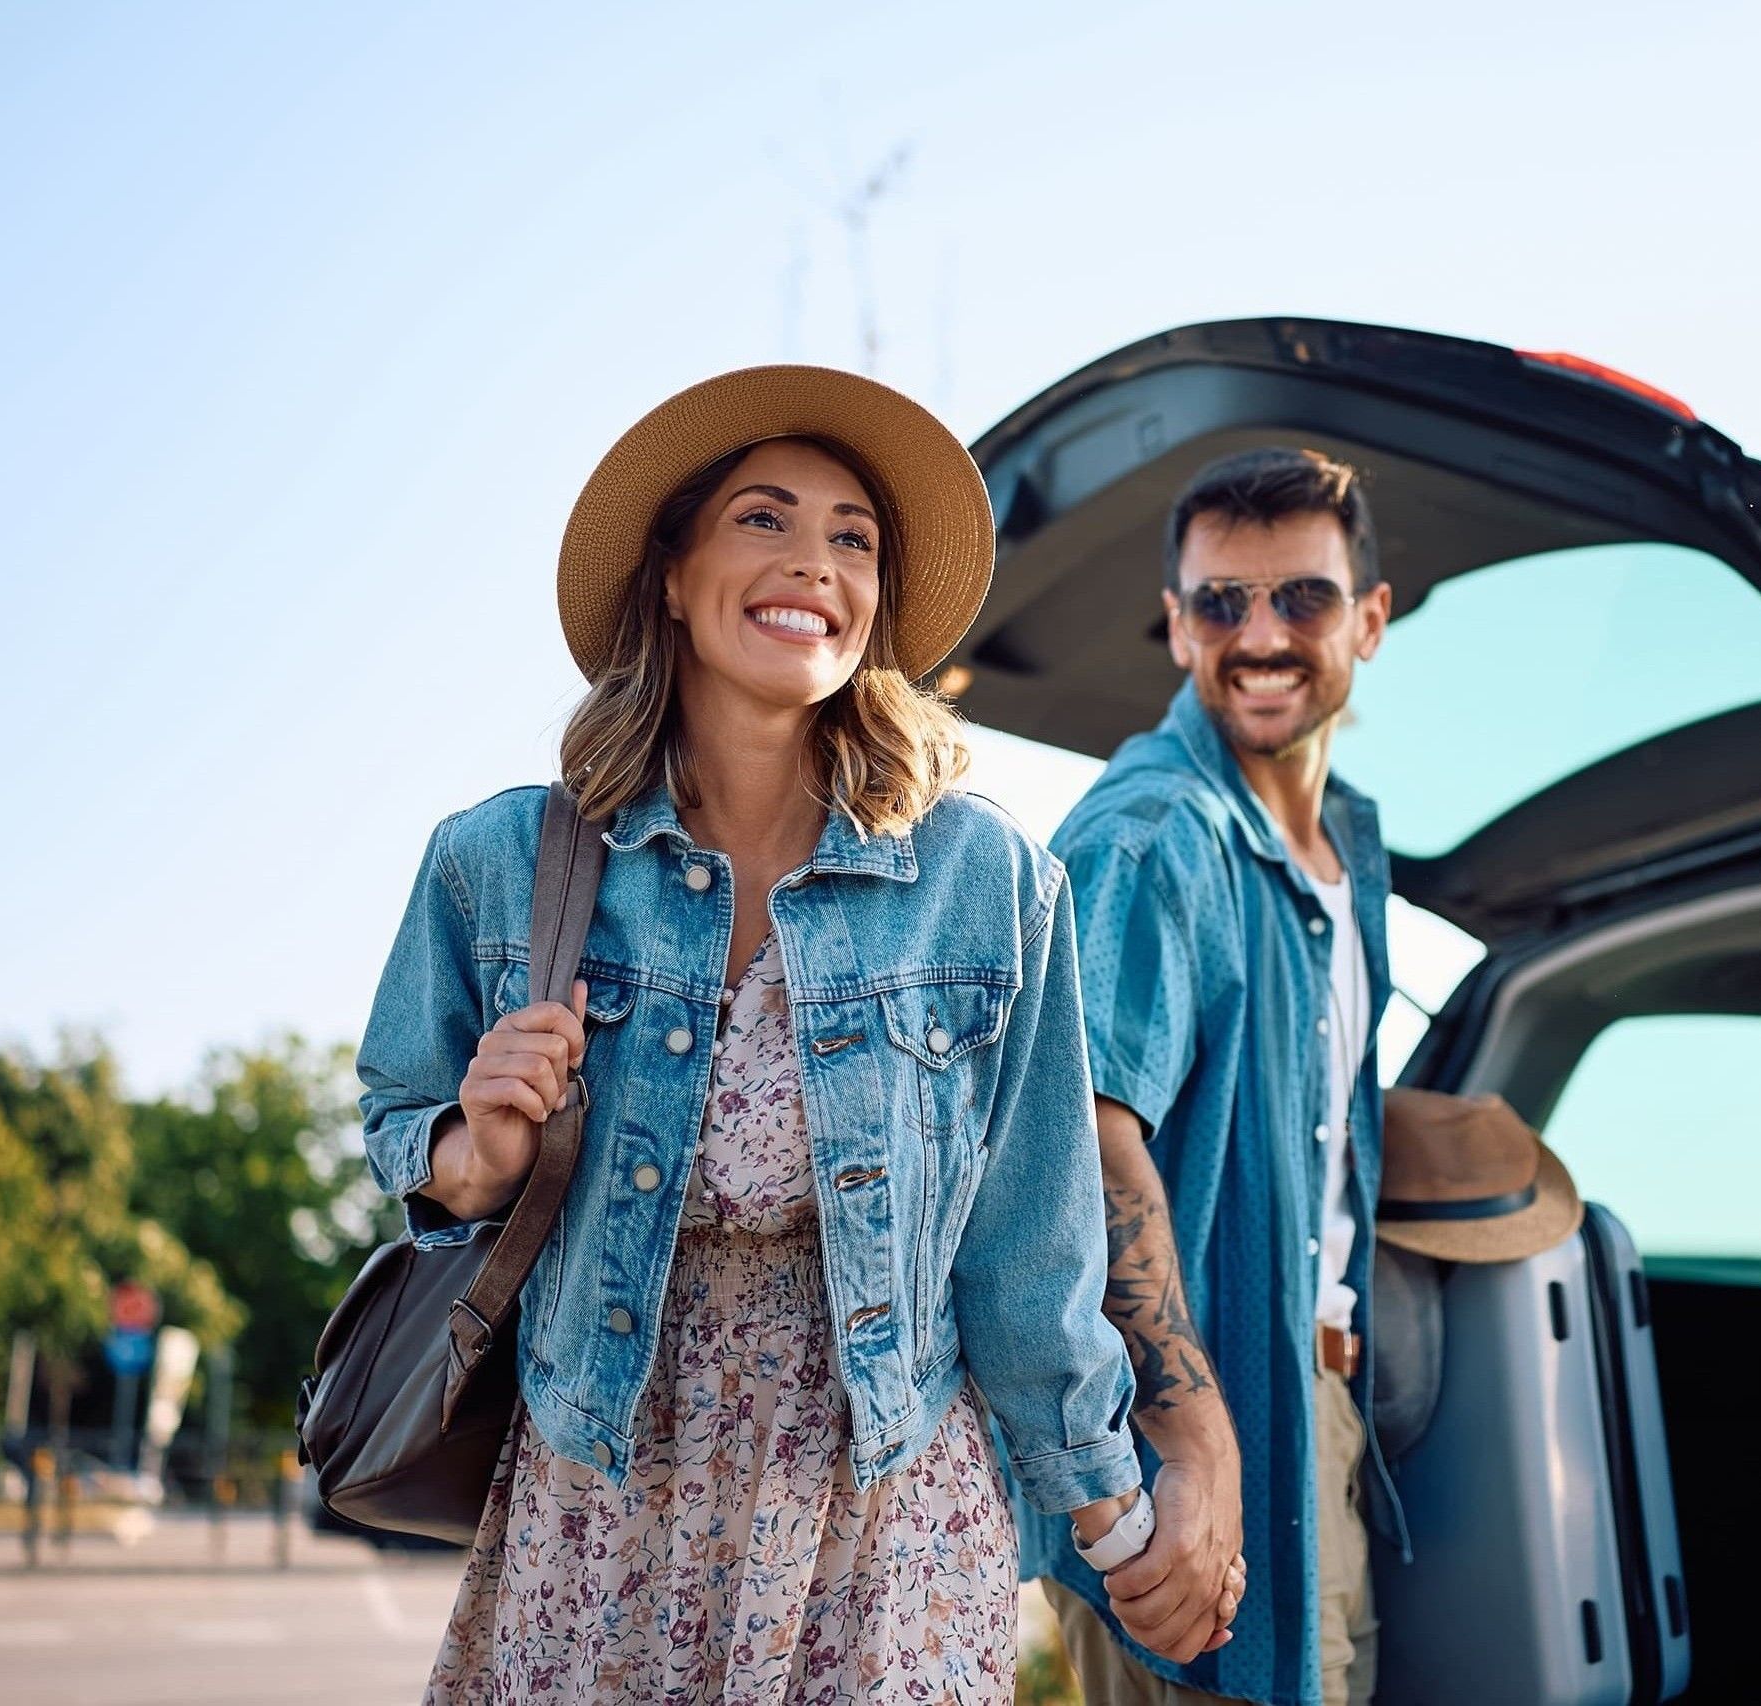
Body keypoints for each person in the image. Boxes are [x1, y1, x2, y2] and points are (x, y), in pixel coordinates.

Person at [356, 366, 1236, 1703]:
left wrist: (1117, 1520)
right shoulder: (501, 861)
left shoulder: (987, 879)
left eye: (853, 537)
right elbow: (399, 1113)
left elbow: (1027, 1258)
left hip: (888, 1517)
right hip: (605, 1501)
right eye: (764, 518)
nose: (812, 564)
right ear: (672, 569)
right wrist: (466, 1160)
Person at [1039, 447, 1401, 1705]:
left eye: (1301, 597)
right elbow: (1084, 1134)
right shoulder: (1154, 834)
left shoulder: (1348, 839)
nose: (1259, 634)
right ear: (1178, 624)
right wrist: (1192, 1436)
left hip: (1322, 1407)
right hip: (1193, 1434)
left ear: (1370, 616)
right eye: (1219, 602)